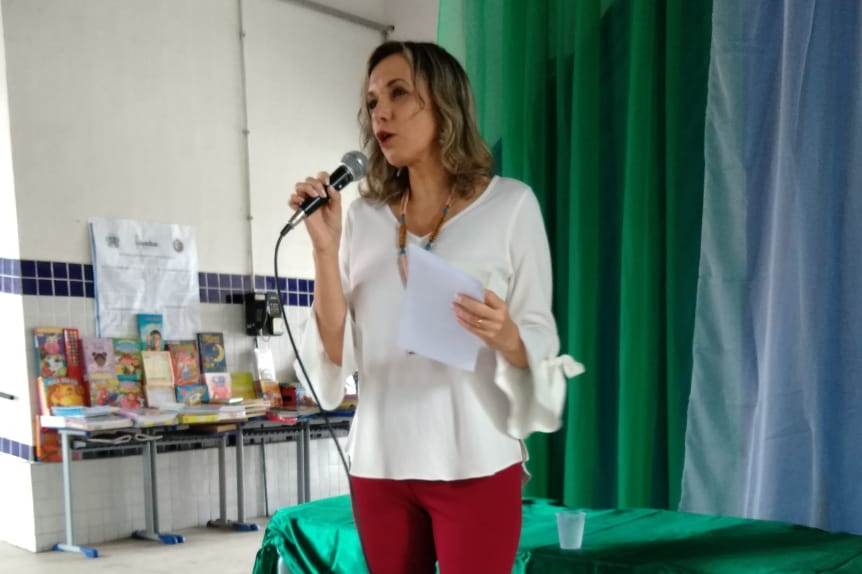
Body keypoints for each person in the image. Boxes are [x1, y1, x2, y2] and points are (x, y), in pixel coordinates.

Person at [290, 41, 581, 574]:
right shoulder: (362, 217)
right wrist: (325, 251)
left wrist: (507, 335)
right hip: (381, 462)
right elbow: (336, 352)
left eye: (399, 93)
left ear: (445, 103)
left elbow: (538, 334)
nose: (380, 112)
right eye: (372, 101)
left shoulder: (511, 205)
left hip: (476, 456)